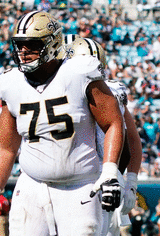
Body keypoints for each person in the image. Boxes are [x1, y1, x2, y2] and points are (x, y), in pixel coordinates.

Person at [0, 11, 125, 235]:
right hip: (31, 186)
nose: (23, 52)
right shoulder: (11, 82)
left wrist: (110, 172)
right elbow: (5, 146)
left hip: (80, 186)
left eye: (32, 45)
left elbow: (113, 123)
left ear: (53, 43)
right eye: (19, 45)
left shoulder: (78, 73)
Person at [66, 37, 143, 236]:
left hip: (100, 175)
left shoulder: (112, 91)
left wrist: (129, 182)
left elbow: (131, 141)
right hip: (72, 175)